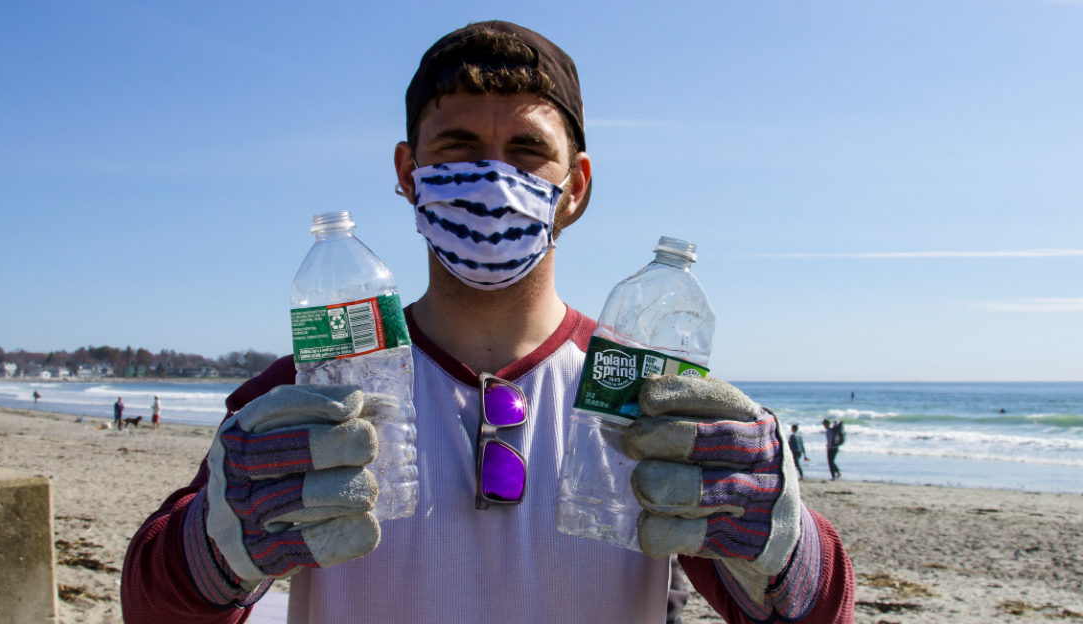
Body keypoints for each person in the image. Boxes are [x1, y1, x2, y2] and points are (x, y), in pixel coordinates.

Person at [122, 22, 854, 624]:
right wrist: (213, 545)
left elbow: (812, 615)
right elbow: (155, 606)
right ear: (409, 174)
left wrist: (785, 544)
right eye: (459, 148)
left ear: (577, 188)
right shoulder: (320, 386)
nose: (492, 178)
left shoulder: (637, 391)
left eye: (528, 152)